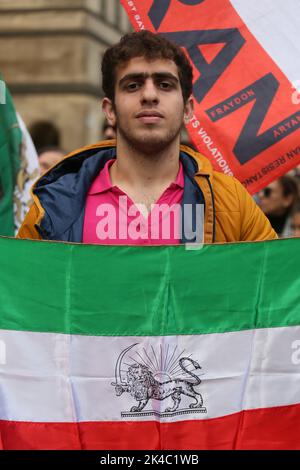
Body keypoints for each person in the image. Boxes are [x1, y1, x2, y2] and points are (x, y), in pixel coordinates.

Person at [17, 31, 276, 244]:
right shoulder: (53, 206)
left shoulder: (231, 203)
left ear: (187, 109)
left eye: (165, 84)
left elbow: (274, 290)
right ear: (110, 110)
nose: (149, 95)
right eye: (133, 85)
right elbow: (23, 296)